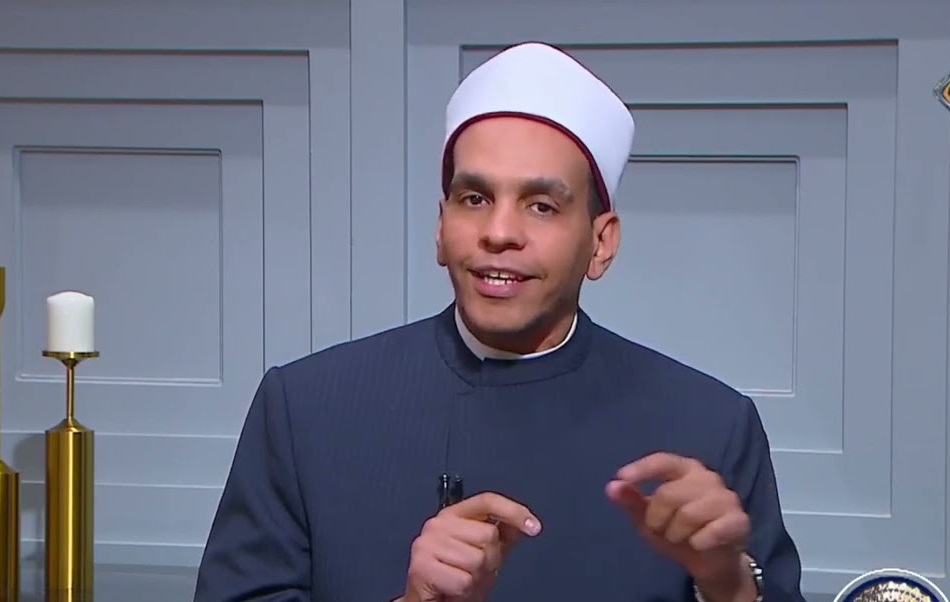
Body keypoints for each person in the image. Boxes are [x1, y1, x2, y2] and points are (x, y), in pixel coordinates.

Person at [193, 41, 806, 602]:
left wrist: (727, 583)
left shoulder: (710, 426)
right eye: (475, 198)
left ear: (601, 243)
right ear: (441, 227)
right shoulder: (305, 410)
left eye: (541, 206)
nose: (499, 232)